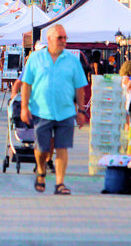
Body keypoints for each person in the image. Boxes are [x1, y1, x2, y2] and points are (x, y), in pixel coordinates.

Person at [20, 25, 87, 195]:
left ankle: (60, 183)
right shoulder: (35, 58)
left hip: (65, 111)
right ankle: (41, 171)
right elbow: (26, 84)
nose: (63, 41)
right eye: (60, 38)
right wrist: (23, 107)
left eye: (65, 37)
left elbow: (80, 87)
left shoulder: (72, 61)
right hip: (41, 111)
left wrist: (81, 111)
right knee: (42, 149)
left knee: (62, 147)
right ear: (49, 39)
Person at [119, 60, 131, 130]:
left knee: (126, 124)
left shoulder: (121, 78)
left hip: (124, 103)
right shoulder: (128, 79)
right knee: (130, 124)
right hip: (129, 103)